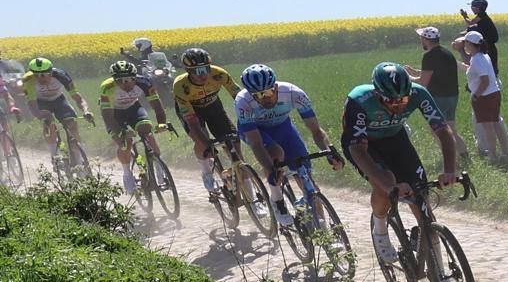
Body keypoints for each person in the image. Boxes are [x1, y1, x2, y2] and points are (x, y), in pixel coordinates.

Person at [340, 62, 458, 282]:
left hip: (396, 139)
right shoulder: (359, 99)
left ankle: (440, 273)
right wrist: (389, 185)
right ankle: (380, 228)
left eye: (402, 100)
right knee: (384, 183)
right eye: (391, 100)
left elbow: (444, 132)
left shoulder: (418, 93)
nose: (398, 105)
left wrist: (450, 169)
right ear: (377, 93)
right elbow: (357, 151)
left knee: (421, 200)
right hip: (364, 146)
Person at [235, 64, 342, 227]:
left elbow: (316, 130)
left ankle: (323, 228)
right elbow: (257, 144)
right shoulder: (243, 102)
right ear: (251, 94)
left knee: (305, 174)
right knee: (275, 153)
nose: (266, 98)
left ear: (276, 87)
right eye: (259, 95)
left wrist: (329, 151)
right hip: (255, 131)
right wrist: (272, 169)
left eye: (269, 92)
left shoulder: (293, 93)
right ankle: (278, 201)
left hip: (282, 127)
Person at [172, 48, 243, 195]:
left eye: (205, 69)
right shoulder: (180, 85)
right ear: (188, 71)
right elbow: (192, 122)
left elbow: (239, 96)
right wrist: (206, 144)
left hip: (213, 106)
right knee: (202, 143)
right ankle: (206, 170)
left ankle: (243, 184)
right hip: (192, 111)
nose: (203, 74)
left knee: (234, 144)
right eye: (197, 71)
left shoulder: (219, 74)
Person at [99, 60, 169, 193]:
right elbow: (107, 115)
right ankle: (127, 173)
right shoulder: (107, 87)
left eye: (129, 79)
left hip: (133, 109)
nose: (125, 84)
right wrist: (120, 133)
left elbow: (157, 105)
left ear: (135, 77)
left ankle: (158, 166)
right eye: (120, 81)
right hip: (114, 114)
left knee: (147, 131)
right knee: (125, 143)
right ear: (114, 80)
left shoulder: (145, 82)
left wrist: (161, 123)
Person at [403, 26, 469, 162]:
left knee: (438, 131)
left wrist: (407, 78)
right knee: (451, 128)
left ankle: (451, 159)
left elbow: (423, 83)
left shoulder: (429, 56)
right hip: (452, 96)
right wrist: (414, 72)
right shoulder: (447, 53)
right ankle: (464, 156)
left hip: (438, 98)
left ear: (425, 39)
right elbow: (435, 73)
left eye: (421, 38)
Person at [455, 31, 508, 167]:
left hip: (484, 96)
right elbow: (474, 70)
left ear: (470, 44)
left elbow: (485, 80)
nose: (465, 46)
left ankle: (493, 156)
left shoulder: (477, 59)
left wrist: (476, 95)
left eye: (466, 43)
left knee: (488, 128)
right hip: (493, 93)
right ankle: (506, 151)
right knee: (496, 123)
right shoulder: (483, 56)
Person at [20, 58, 94, 164]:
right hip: (41, 102)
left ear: (51, 72)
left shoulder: (61, 75)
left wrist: (86, 111)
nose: (40, 78)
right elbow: (32, 105)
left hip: (59, 100)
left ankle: (78, 158)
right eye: (36, 75)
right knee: (48, 124)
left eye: (44, 75)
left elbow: (78, 98)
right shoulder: (28, 80)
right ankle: (55, 156)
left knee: (72, 124)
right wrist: (42, 117)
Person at [459, 0, 499, 75]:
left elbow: (471, 22)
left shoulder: (481, 15)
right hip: (489, 44)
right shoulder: (483, 16)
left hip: (488, 44)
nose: (471, 9)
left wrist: (464, 16)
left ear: (478, 8)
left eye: (472, 7)